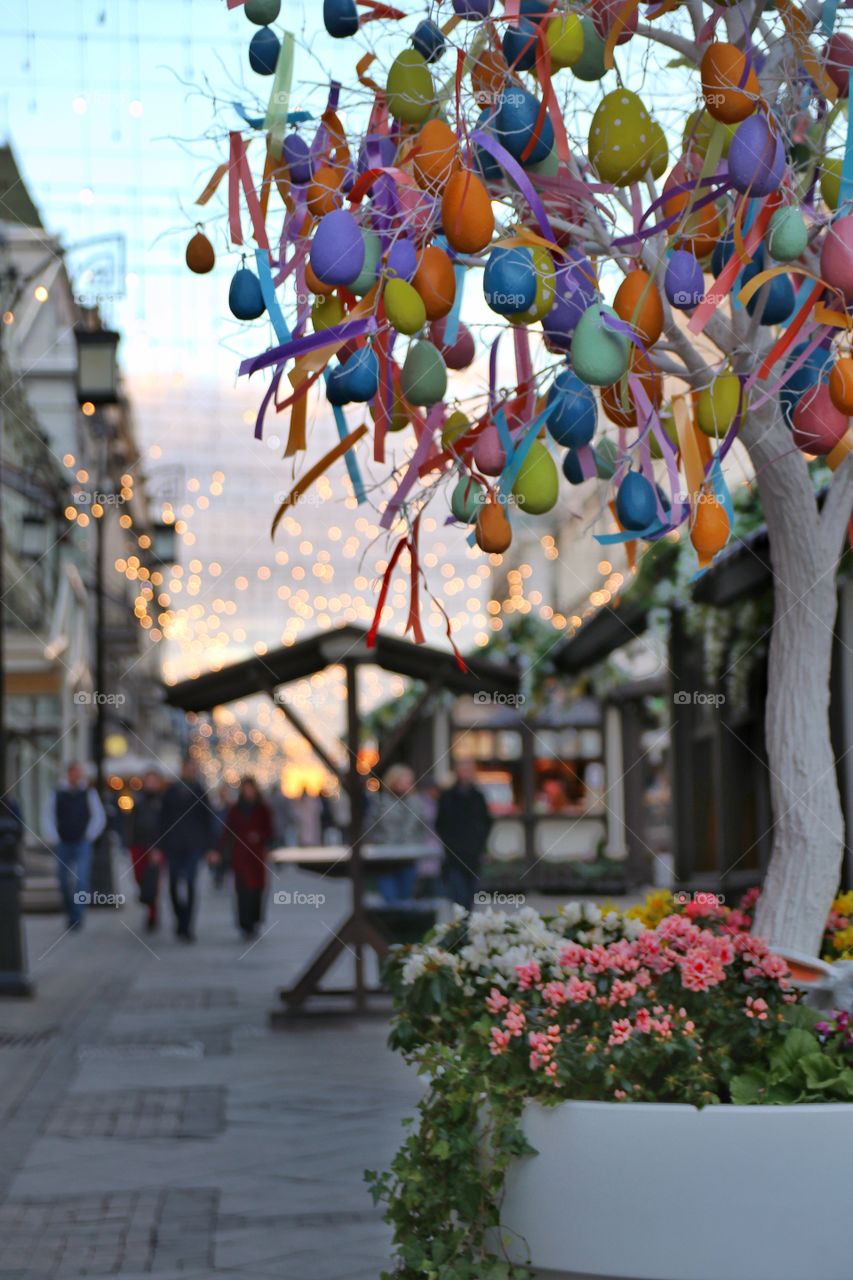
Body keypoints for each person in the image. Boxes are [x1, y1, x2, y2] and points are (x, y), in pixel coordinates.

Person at [41, 762, 106, 930]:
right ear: (69, 774)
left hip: (82, 843)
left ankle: (77, 916)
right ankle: (70, 911)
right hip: (63, 843)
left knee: (81, 880)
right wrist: (54, 837)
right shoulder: (57, 792)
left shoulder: (88, 792)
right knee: (63, 881)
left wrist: (89, 835)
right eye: (74, 773)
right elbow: (48, 815)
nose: (77, 776)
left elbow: (98, 816)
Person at [159, 758, 217, 941]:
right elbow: (162, 820)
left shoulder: (201, 791)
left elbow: (208, 821)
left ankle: (188, 926)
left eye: (193, 769)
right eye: (188, 768)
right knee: (174, 885)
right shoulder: (171, 792)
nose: (190, 772)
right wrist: (158, 846)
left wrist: (211, 848)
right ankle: (179, 919)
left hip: (193, 847)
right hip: (173, 846)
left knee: (191, 884)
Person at [219, 776, 274, 940]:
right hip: (240, 856)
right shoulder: (236, 809)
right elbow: (227, 831)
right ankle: (244, 923)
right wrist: (218, 850)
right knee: (242, 890)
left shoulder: (262, 809)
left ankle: (254, 921)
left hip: (256, 856)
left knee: (256, 890)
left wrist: (260, 837)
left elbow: (269, 830)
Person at [436, 759, 493, 910]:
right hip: (454, 854)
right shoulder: (448, 796)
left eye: (470, 769)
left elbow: (487, 822)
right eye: (464, 769)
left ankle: (467, 928)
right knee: (458, 895)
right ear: (457, 772)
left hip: (473, 853)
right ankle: (459, 929)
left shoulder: (478, 796)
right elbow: (440, 823)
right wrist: (449, 843)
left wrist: (480, 844)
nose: (468, 773)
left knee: (471, 896)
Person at [370, 764, 428, 903]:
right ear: (394, 780)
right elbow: (371, 828)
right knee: (390, 900)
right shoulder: (379, 801)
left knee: (406, 899)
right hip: (385, 858)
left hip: (408, 857)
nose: (409, 784)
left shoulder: (417, 803)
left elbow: (421, 828)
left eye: (410, 781)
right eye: (405, 781)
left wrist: (416, 844)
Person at [128, 770, 165, 932]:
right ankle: (148, 902)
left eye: (153, 780)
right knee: (139, 877)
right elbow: (131, 822)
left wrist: (160, 846)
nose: (150, 783)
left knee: (153, 880)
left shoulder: (163, 801)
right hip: (138, 844)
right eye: (148, 780)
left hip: (156, 846)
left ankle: (152, 914)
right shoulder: (137, 799)